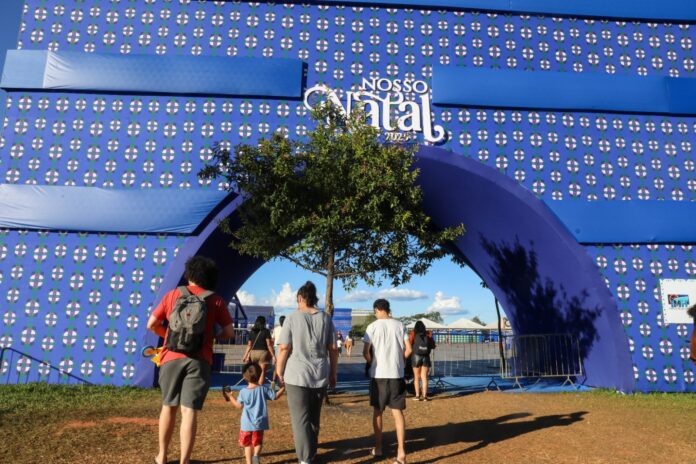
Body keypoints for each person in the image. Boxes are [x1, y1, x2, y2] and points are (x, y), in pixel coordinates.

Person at [147, 256, 235, 464]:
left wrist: (168, 337)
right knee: (189, 411)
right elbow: (229, 332)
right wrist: (211, 336)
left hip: (170, 357)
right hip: (199, 359)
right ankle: (184, 460)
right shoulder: (215, 300)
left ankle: (162, 456)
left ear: (189, 274)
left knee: (168, 406)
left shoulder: (172, 295)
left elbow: (151, 324)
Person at [276, 281, 338, 464]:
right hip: (320, 373)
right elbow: (333, 348)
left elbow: (284, 348)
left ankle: (305, 459)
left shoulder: (292, 317)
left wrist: (279, 370)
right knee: (313, 417)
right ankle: (310, 453)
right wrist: (333, 373)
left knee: (300, 419)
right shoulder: (326, 318)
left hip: (297, 374)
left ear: (299, 298)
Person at [363, 299, 412, 464]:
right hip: (396, 374)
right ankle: (401, 452)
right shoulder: (400, 325)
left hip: (378, 374)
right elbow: (408, 349)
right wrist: (401, 362)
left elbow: (365, 352)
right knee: (398, 413)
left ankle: (378, 448)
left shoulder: (372, 327)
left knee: (378, 412)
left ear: (377, 309)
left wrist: (372, 362)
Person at [223, 362, 286, 464]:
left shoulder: (243, 392)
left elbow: (239, 406)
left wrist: (231, 397)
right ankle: (256, 455)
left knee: (247, 445)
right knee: (258, 442)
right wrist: (283, 388)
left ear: (245, 377)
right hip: (259, 423)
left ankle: (249, 462)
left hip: (246, 424)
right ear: (260, 374)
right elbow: (275, 396)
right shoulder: (263, 389)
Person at [242, 316, 275, 385]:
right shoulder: (266, 331)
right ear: (264, 323)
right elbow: (269, 344)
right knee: (262, 372)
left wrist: (245, 356)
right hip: (263, 353)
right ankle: (259, 387)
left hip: (253, 353)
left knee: (253, 371)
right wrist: (273, 356)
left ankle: (252, 386)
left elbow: (249, 345)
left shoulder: (252, 331)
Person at [409, 321, 436, 401]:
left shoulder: (413, 333)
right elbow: (433, 346)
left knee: (416, 377)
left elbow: (409, 344)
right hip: (426, 357)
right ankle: (425, 397)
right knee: (424, 377)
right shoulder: (428, 334)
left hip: (416, 357)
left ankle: (417, 396)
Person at [271, 315, 286, 389]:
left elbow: (272, 339)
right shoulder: (287, 328)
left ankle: (274, 381)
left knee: (277, 366)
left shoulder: (276, 328)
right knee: (285, 366)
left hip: (277, 347)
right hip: (285, 348)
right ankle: (282, 383)